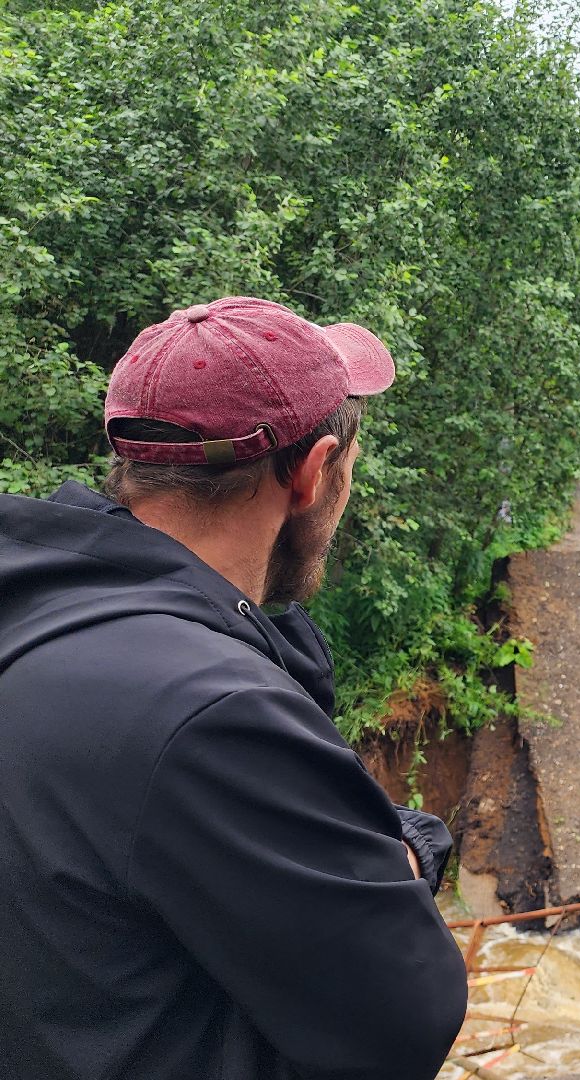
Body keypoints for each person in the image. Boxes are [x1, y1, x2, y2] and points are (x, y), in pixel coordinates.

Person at [0, 297, 468, 1080]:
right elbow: (405, 1025)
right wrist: (405, 853)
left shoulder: (36, 608)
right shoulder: (215, 714)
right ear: (314, 473)